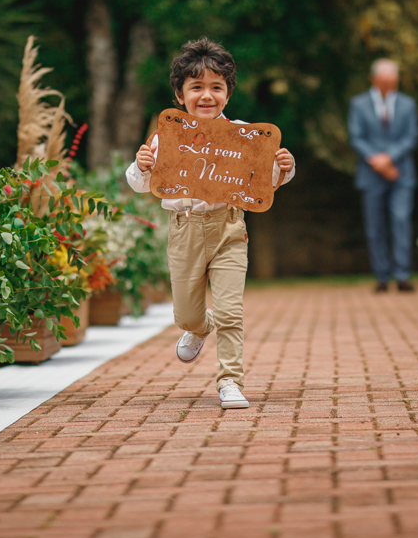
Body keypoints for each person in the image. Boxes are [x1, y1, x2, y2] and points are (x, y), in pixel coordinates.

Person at [125, 38, 296, 410]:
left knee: (231, 311)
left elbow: (265, 181)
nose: (207, 95)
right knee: (186, 313)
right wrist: (140, 165)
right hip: (184, 228)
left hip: (230, 228)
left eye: (216, 87)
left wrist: (284, 167)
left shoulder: (245, 135)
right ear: (179, 94)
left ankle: (230, 381)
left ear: (228, 94)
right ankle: (200, 328)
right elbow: (139, 183)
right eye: (196, 87)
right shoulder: (165, 137)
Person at [348, 59, 418, 293]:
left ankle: (402, 275)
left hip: (401, 174)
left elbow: (411, 137)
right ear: (374, 80)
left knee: (400, 221)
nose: (388, 85)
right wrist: (378, 162)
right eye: (384, 81)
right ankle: (381, 276)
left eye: (392, 81)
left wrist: (388, 159)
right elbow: (356, 137)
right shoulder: (358, 104)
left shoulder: (408, 104)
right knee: (375, 227)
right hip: (371, 174)